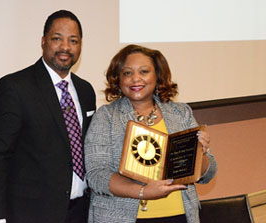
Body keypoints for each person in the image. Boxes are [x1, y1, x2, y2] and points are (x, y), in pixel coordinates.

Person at [0, 10, 96, 223]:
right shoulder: (15, 87)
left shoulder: (86, 90)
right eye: (57, 39)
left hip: (80, 212)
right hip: (31, 213)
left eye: (73, 41)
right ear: (43, 41)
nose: (65, 47)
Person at [84, 44, 217, 223]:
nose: (135, 79)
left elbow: (207, 175)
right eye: (127, 73)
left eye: (144, 71)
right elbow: (96, 174)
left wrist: (201, 153)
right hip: (122, 217)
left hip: (179, 216)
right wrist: (143, 192)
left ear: (157, 75)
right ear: (118, 79)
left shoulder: (180, 113)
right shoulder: (106, 116)